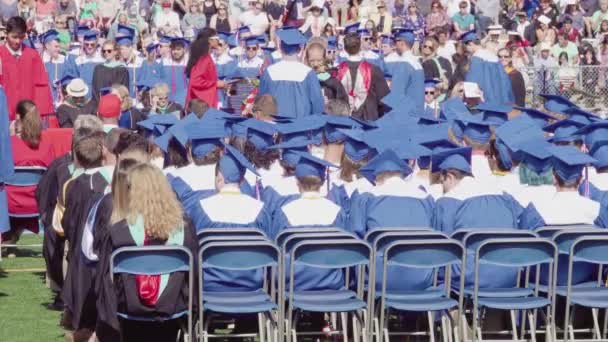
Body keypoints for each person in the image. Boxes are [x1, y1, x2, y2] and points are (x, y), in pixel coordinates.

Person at [96, 163, 197, 342]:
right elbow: (195, 277)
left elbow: (104, 283)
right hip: (174, 307)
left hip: (128, 307)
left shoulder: (119, 233)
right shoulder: (185, 230)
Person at [432, 147, 523, 290]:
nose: (442, 188)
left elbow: (442, 249)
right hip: (509, 274)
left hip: (467, 278)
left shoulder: (447, 202)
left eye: (441, 182)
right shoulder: (504, 196)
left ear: (449, 176)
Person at [349, 148, 435, 291]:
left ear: (377, 178)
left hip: (379, 278)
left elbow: (355, 237)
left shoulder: (366, 198)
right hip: (421, 277)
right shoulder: (425, 198)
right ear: (401, 174)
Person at [4, 100, 56, 246]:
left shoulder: (7, 145)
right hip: (36, 204)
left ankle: (10, 236)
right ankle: (12, 236)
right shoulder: (45, 146)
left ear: (18, 118)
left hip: (9, 205)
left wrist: (11, 135)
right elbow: (51, 176)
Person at [258, 27, 324, 118]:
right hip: (300, 127)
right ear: (300, 49)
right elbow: (317, 106)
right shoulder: (308, 73)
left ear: (280, 47)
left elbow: (261, 103)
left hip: (274, 127)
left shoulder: (269, 72)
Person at [0, 16, 54, 121]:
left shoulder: (32, 55)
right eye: (14, 37)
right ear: (6, 34)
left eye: (21, 37)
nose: (17, 41)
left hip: (28, 114)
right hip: (4, 114)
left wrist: (40, 113)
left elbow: (41, 85)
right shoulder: (1, 55)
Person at [462, 30, 515, 105]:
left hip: (485, 100)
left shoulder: (477, 57)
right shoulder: (493, 55)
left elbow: (473, 82)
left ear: (470, 44)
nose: (466, 50)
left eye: (466, 47)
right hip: (499, 99)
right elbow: (505, 80)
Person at [384, 28, 424, 115]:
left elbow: (397, 93)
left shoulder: (404, 63)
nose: (394, 45)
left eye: (396, 41)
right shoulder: (417, 62)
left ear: (402, 43)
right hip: (417, 111)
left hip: (407, 114)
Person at [186, 28, 221, 109]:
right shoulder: (204, 59)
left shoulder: (204, 56)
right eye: (217, 38)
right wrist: (215, 84)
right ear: (210, 40)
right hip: (201, 105)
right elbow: (195, 81)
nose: (218, 41)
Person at [64, 30, 104, 100]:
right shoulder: (78, 61)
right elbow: (71, 78)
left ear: (97, 44)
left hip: (99, 98)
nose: (89, 47)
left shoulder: (102, 60)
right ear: (83, 44)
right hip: (82, 98)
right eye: (87, 44)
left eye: (92, 44)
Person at [91, 40, 129, 105]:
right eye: (104, 51)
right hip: (99, 105)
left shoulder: (122, 70)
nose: (106, 53)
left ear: (115, 51)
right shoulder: (98, 68)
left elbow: (123, 91)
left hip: (115, 106)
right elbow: (95, 90)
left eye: (109, 51)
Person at [158, 37, 190, 107]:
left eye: (178, 49)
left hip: (184, 101)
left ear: (184, 50)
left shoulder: (189, 63)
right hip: (168, 101)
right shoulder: (164, 63)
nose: (175, 52)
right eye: (173, 49)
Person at [41, 29, 68, 107]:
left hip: (61, 100)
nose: (58, 49)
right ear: (47, 46)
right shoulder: (40, 61)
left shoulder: (63, 60)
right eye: (56, 46)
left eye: (59, 46)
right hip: (46, 100)